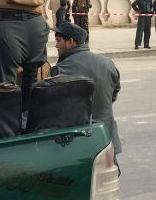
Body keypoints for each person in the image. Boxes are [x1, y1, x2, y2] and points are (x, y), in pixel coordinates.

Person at [50, 21, 121, 155]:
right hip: (106, 138)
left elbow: (53, 110)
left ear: (71, 42)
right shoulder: (107, 62)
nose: (56, 45)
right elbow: (114, 91)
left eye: (58, 40)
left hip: (78, 143)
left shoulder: (60, 70)